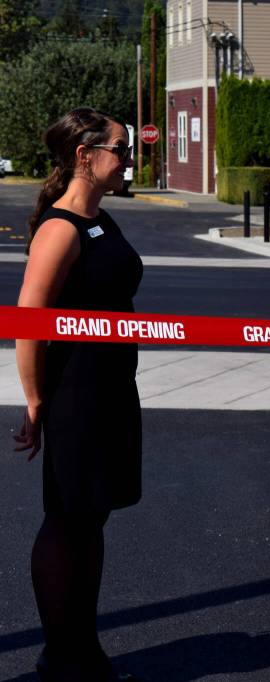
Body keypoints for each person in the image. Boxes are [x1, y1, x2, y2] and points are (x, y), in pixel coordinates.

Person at [14, 108, 143, 681]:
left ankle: (82, 648)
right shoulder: (59, 228)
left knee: (92, 520)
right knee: (67, 520)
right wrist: (36, 401)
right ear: (86, 156)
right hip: (76, 397)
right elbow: (28, 322)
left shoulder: (102, 221)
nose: (129, 159)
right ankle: (61, 656)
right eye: (120, 148)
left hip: (112, 390)